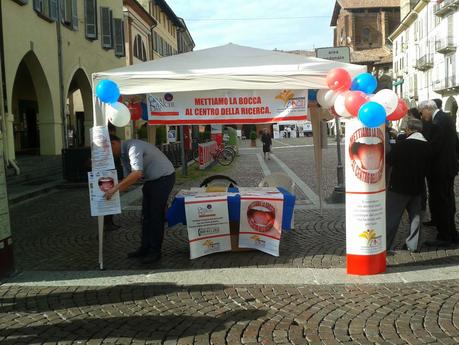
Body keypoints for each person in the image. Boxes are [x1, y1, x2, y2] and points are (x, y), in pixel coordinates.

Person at [105, 135, 176, 263]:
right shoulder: (123, 154)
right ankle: (144, 248)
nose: (108, 153)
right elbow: (129, 178)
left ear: (114, 143)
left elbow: (136, 173)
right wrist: (114, 193)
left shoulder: (133, 147)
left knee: (155, 216)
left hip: (164, 178)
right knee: (145, 216)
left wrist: (115, 190)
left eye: (108, 149)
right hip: (151, 180)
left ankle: (155, 251)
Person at [386, 118, 432, 252]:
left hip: (399, 187)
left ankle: (386, 246)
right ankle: (413, 245)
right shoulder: (428, 146)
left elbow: (389, 160)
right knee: (415, 218)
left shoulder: (402, 145)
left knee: (392, 218)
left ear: (408, 130)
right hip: (418, 187)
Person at [419, 100, 458, 247]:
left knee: (442, 201)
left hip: (439, 169)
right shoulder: (445, 118)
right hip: (448, 166)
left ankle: (445, 236)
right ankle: (452, 234)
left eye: (422, 113)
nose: (423, 117)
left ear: (428, 109)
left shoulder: (437, 122)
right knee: (447, 200)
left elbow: (434, 146)